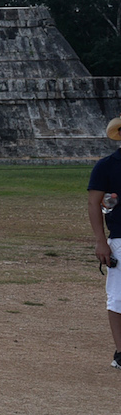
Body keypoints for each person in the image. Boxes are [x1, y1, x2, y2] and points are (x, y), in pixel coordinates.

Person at [88, 116, 121, 369]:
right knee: (118, 298)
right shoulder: (107, 165)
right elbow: (93, 204)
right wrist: (101, 241)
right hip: (120, 238)